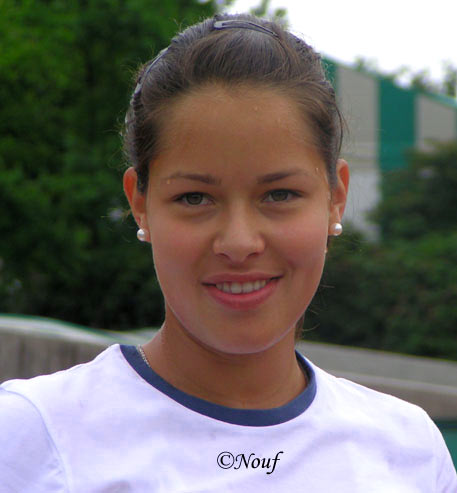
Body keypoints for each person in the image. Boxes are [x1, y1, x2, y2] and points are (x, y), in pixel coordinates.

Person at [1, 13, 456, 492]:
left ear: (335, 197)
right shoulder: (36, 436)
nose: (239, 243)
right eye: (195, 198)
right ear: (140, 204)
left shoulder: (408, 451)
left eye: (279, 195)